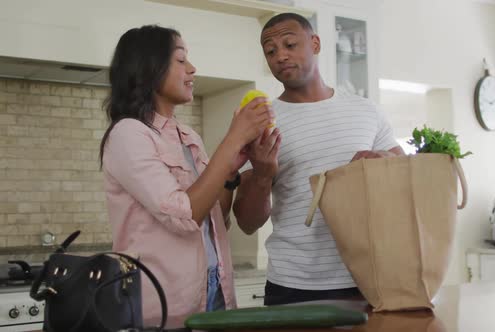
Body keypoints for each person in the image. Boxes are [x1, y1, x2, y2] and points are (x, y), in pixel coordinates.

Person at [100, 25, 273, 325]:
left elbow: (215, 213)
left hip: (216, 289)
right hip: (164, 303)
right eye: (181, 60)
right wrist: (231, 140)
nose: (192, 69)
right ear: (149, 68)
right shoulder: (129, 134)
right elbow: (185, 217)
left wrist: (230, 172)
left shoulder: (187, 137)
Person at [233, 13, 404, 306]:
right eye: (271, 51)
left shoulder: (366, 111)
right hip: (293, 284)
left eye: (289, 44)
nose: (281, 56)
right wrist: (262, 175)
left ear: (315, 43)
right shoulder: (262, 122)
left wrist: (383, 158)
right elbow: (247, 223)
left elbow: (404, 178)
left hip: (368, 276)